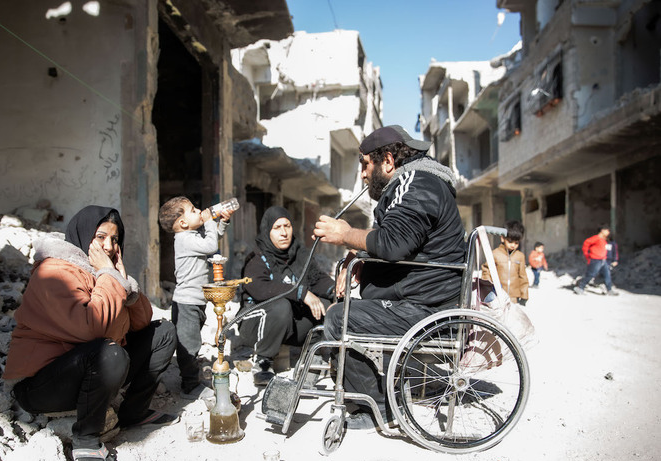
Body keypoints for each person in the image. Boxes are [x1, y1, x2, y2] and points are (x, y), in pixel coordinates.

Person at [3, 206, 177, 461]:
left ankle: (134, 412)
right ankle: (86, 440)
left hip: (89, 369)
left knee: (163, 332)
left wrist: (124, 282)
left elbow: (141, 322)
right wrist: (109, 275)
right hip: (41, 386)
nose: (109, 246)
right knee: (109, 352)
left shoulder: (101, 271)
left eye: (115, 239)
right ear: (83, 235)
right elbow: (90, 329)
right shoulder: (54, 272)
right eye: (100, 237)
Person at [313, 125, 466, 430]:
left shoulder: (416, 182)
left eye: (364, 164)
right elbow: (404, 241)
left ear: (387, 160)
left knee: (338, 318)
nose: (363, 174)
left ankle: (378, 408)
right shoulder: (414, 182)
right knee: (342, 310)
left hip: (428, 310)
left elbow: (393, 243)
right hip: (422, 301)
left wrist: (346, 235)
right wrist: (359, 257)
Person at [239, 206, 335, 386]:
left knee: (327, 304)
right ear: (268, 231)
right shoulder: (256, 258)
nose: (284, 233)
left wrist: (335, 290)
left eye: (287, 226)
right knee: (281, 305)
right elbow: (261, 288)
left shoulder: (299, 254)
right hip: (256, 324)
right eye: (277, 228)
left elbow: (316, 279)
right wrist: (301, 292)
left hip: (287, 324)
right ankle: (262, 363)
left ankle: (312, 356)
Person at [158, 196, 233, 401]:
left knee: (193, 341)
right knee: (189, 345)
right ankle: (190, 386)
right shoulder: (184, 240)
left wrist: (222, 222)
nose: (199, 210)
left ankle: (191, 376)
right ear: (182, 223)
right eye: (192, 210)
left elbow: (212, 238)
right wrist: (209, 220)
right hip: (186, 303)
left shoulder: (191, 236)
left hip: (195, 301)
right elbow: (210, 246)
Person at [481, 220, 530, 305]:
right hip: (497, 295)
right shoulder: (495, 254)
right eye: (510, 241)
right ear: (502, 238)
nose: (513, 245)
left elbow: (523, 277)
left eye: (516, 242)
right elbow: (486, 271)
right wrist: (488, 290)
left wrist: (524, 295)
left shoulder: (520, 256)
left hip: (514, 298)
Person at [575, 224, 619, 296]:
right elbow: (586, 244)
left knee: (607, 275)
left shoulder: (604, 240)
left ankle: (609, 290)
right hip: (595, 260)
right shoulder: (596, 238)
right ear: (603, 231)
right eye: (607, 231)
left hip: (603, 260)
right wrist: (587, 255)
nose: (608, 232)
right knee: (590, 275)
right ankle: (580, 288)